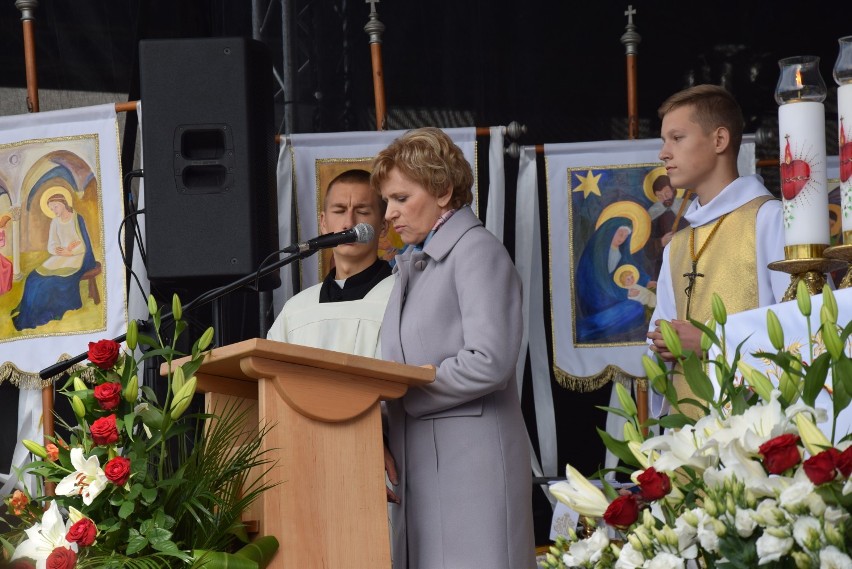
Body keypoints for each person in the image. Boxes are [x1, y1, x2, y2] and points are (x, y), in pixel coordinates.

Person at [372, 127, 535, 569]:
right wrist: (375, 430)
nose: (388, 213)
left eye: (401, 199)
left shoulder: (477, 251)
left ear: (443, 191)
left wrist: (403, 393)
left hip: (471, 472)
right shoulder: (412, 266)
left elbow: (490, 361)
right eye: (387, 201)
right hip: (421, 469)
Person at [646, 84, 787, 415]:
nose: (663, 153)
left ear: (719, 140)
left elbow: (802, 333)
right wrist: (662, 344)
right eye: (664, 141)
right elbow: (662, 335)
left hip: (757, 429)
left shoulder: (769, 219)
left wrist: (711, 343)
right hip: (687, 433)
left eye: (676, 138)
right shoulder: (678, 245)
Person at [266, 169, 392, 358]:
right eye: (339, 211)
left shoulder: (400, 297)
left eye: (363, 211)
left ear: (383, 226)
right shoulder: (296, 309)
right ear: (323, 223)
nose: (348, 224)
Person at [12, 193, 97, 330]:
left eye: (55, 207)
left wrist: (71, 252)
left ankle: (43, 313)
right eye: (52, 209)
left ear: (63, 203)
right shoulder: (55, 222)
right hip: (60, 256)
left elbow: (84, 244)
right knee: (33, 278)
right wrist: (58, 249)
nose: (54, 211)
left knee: (52, 281)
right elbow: (51, 244)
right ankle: (27, 313)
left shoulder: (77, 219)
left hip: (77, 257)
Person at [575, 217, 654, 342]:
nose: (621, 238)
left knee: (638, 308)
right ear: (610, 231)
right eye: (620, 233)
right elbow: (598, 282)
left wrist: (646, 281)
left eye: (625, 236)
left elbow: (629, 267)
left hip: (614, 295)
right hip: (597, 299)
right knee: (635, 308)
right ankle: (586, 329)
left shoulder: (620, 252)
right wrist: (625, 293)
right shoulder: (598, 251)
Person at [647, 174, 687, 279]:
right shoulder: (653, 214)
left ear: (674, 190)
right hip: (664, 265)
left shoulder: (687, 207)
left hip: (686, 261)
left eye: (667, 193)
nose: (664, 198)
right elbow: (646, 246)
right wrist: (660, 242)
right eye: (659, 196)